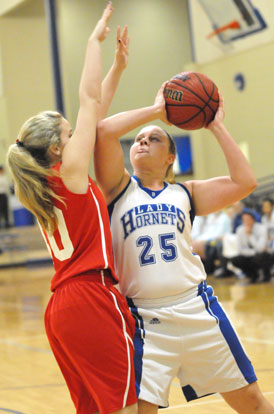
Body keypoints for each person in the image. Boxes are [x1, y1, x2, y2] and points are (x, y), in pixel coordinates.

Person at [94, 85, 274, 413]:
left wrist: (214, 125)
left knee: (251, 402)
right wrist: (156, 111)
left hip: (197, 310)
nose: (142, 141)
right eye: (138, 139)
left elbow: (245, 182)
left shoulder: (186, 193)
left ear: (171, 157)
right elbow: (104, 130)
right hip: (144, 319)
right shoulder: (117, 189)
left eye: (154, 138)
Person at [7, 4, 137, 414]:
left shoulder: (46, 183)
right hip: (90, 297)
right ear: (58, 147)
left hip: (61, 309)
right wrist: (92, 42)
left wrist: (117, 67)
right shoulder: (71, 174)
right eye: (69, 130)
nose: (78, 130)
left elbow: (94, 111)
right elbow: (89, 97)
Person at [231, 209, 273, 282]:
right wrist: (253, 253)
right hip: (251, 255)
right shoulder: (240, 230)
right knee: (235, 260)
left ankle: (267, 275)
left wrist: (249, 235)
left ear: (253, 219)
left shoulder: (261, 228)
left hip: (264, 255)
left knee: (260, 257)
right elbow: (240, 250)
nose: (246, 222)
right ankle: (253, 275)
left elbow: (260, 249)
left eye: (248, 219)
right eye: (244, 220)